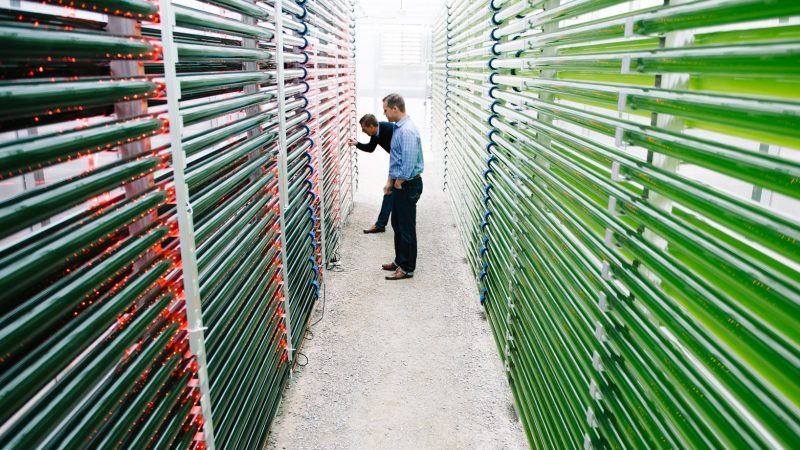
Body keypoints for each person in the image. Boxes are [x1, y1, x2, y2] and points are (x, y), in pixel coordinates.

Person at [380, 93, 424, 281]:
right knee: (397, 223)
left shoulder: (407, 131)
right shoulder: (399, 127)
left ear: (395, 108)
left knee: (406, 227)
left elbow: (408, 160)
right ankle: (400, 260)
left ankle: (406, 268)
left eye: (386, 109)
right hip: (399, 183)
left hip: (407, 184)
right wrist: (390, 181)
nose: (384, 114)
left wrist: (399, 181)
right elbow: (396, 158)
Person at [348, 114, 396, 234]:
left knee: (391, 192)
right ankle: (381, 224)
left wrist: (391, 178)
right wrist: (357, 144)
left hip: (403, 161)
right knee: (390, 193)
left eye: (364, 128)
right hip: (397, 160)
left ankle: (382, 224)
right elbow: (370, 148)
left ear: (371, 126)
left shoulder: (390, 129)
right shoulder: (375, 134)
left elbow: (399, 152)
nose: (363, 131)